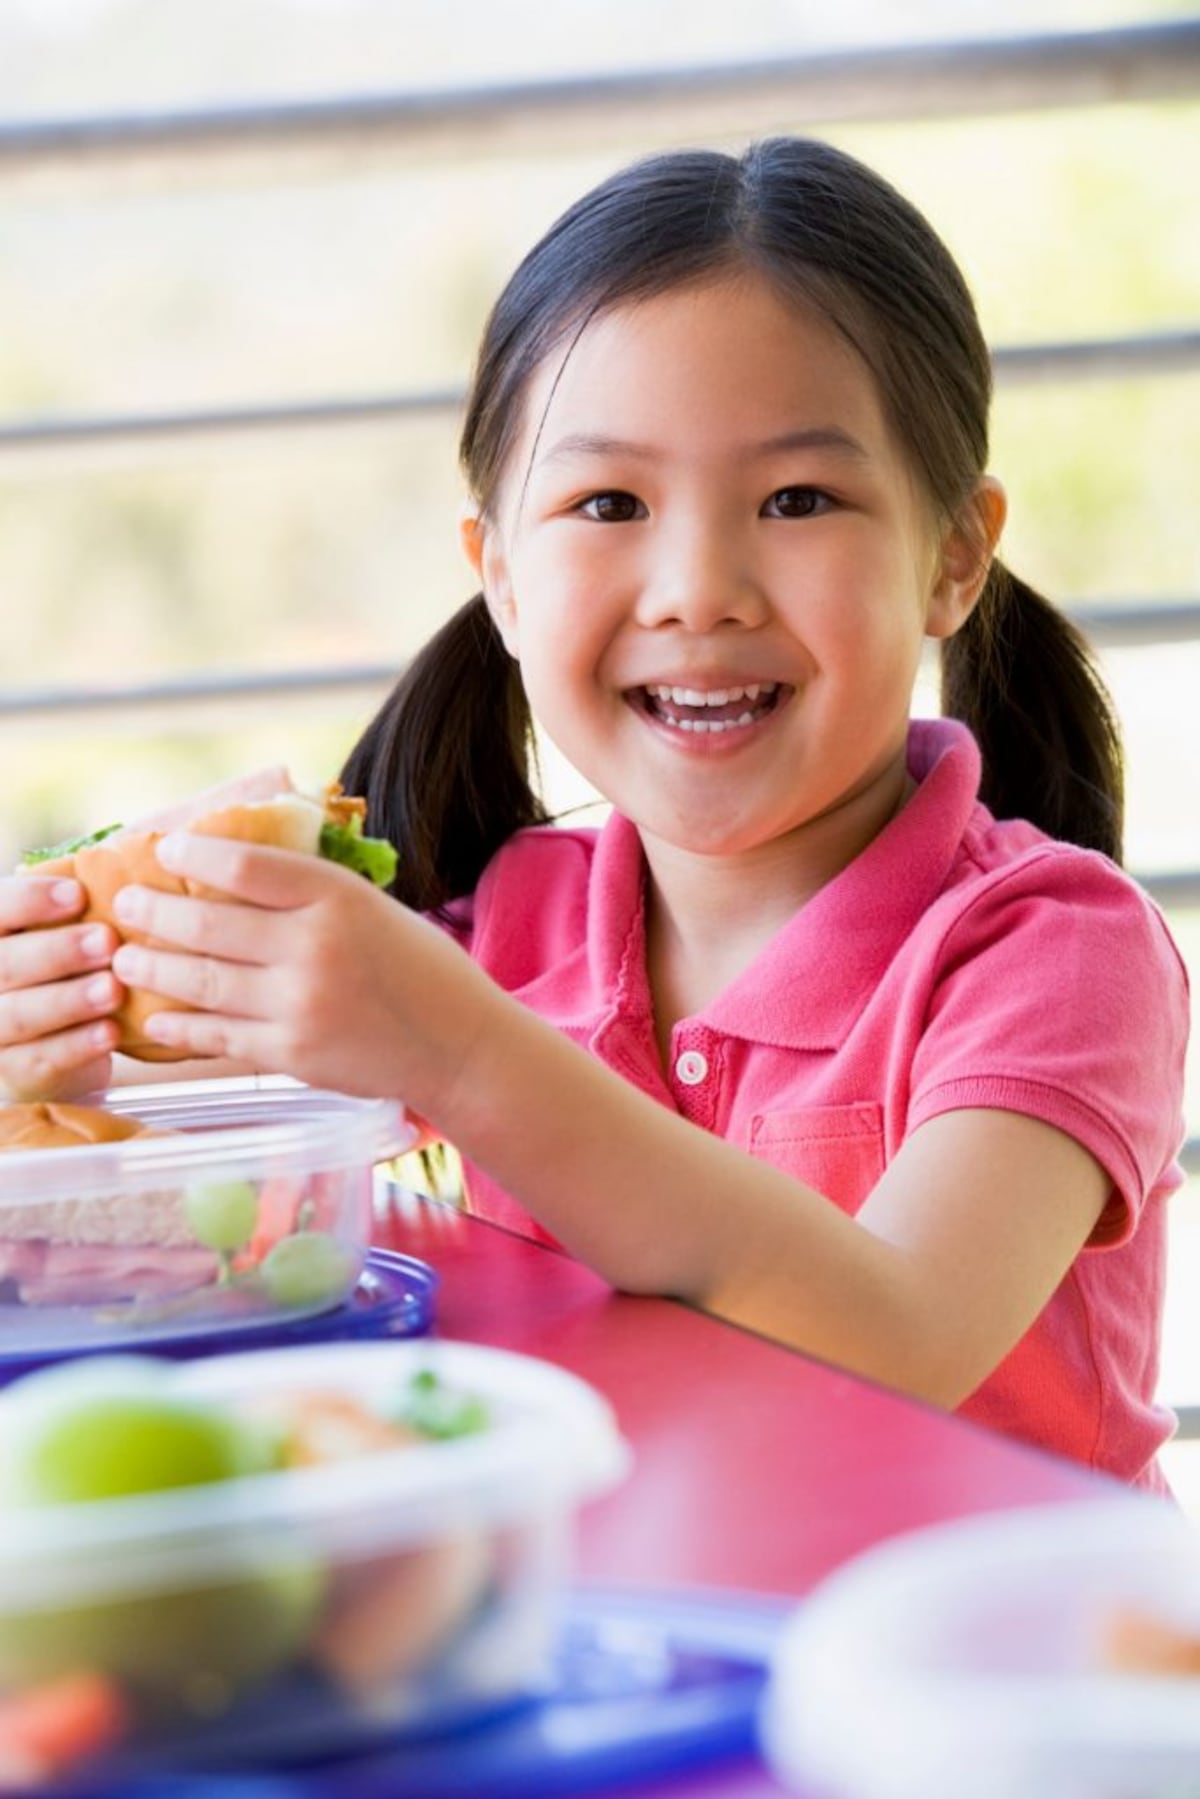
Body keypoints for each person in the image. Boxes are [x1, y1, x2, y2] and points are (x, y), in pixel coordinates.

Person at [0, 138, 1189, 1490]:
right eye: (609, 502)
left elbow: (902, 1331)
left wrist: (460, 1051)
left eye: (798, 499)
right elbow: (170, 1193)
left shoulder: (1055, 952)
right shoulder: (504, 927)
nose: (699, 587)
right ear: (498, 577)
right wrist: (51, 1042)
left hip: (993, 1671)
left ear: (955, 555)